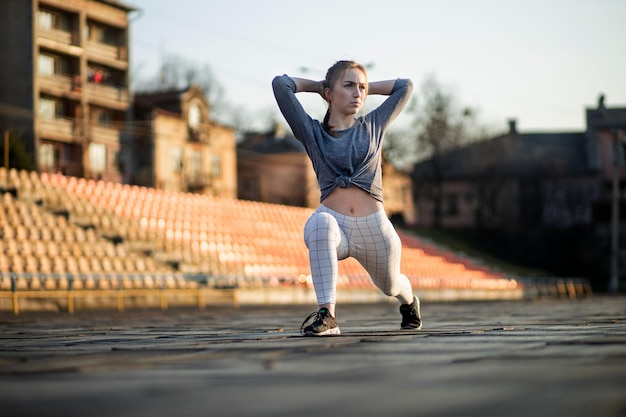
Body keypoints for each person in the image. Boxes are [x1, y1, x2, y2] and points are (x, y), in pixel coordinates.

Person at [272, 60, 422, 336]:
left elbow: (405, 86)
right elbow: (281, 85)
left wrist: (366, 88)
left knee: (391, 286)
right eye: (349, 86)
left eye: (361, 88)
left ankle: (410, 302)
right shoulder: (313, 133)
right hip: (335, 224)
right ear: (331, 93)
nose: (358, 93)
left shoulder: (374, 124)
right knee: (320, 225)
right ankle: (327, 315)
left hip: (374, 228)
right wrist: (319, 87)